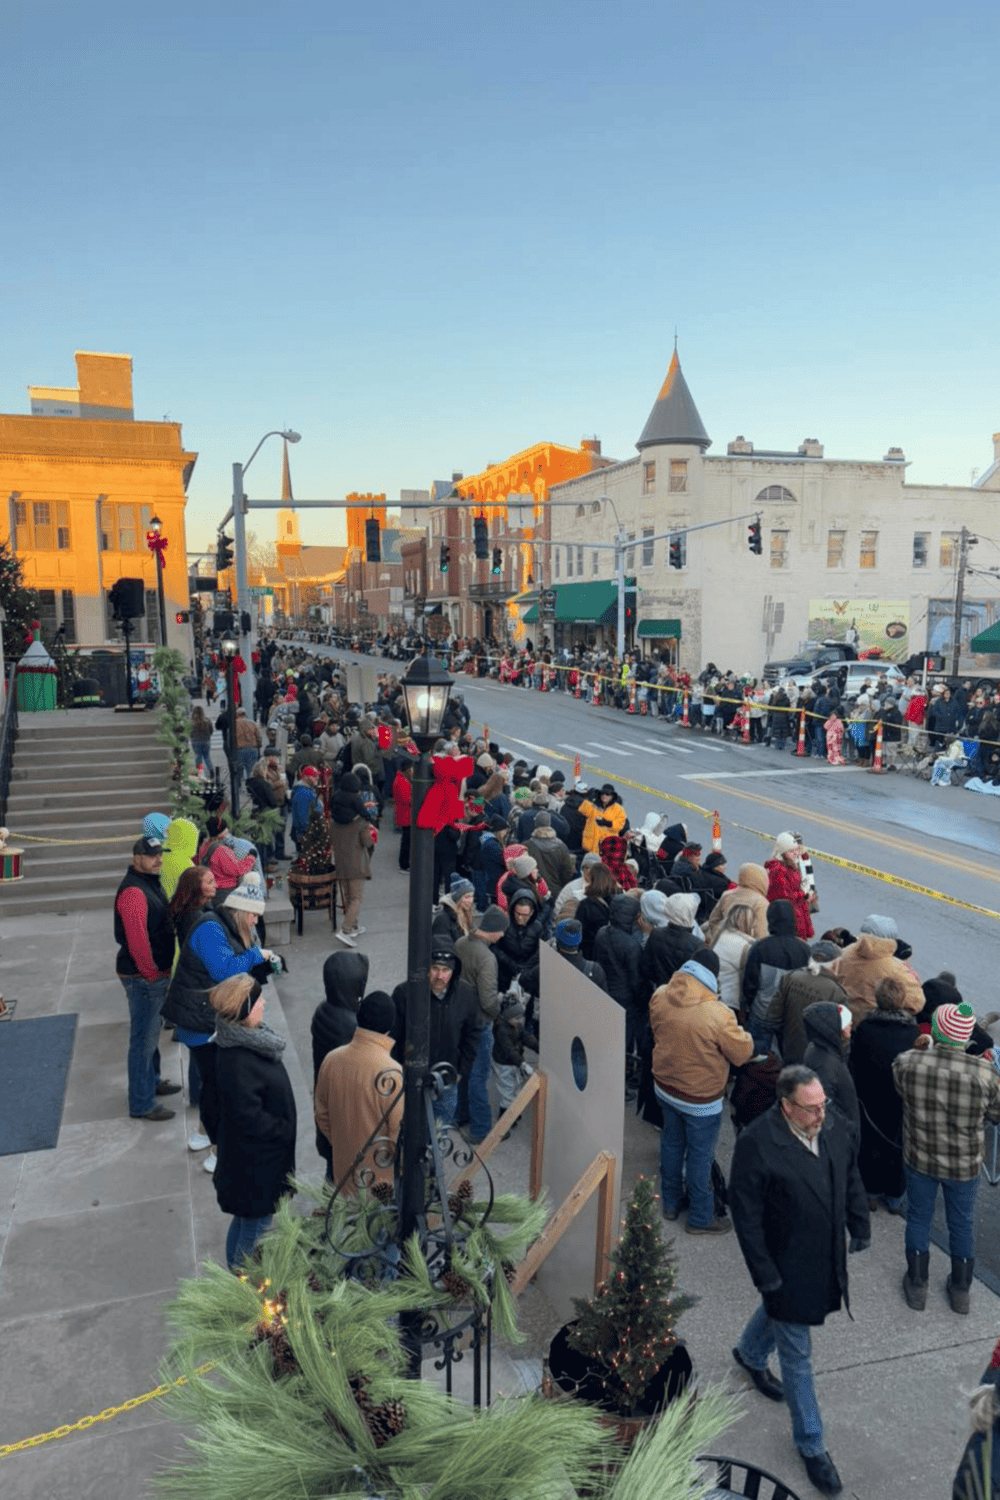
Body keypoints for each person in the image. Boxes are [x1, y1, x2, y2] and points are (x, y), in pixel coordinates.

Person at [730, 1064, 870, 1497]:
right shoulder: (757, 1144)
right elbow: (747, 1216)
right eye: (810, 1109)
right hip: (784, 1261)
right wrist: (765, 1273)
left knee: (780, 1312)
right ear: (786, 1105)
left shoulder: (831, 1127)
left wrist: (859, 1222)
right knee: (797, 1353)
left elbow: (848, 1175)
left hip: (821, 1255)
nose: (820, 1116)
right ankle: (812, 1445)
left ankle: (750, 1353)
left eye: (822, 1105)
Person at [892, 1002, 1000, 1315]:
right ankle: (960, 1289)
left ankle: (917, 1283)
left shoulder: (908, 1062)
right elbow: (995, 1113)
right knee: (962, 1224)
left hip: (920, 1160)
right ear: (967, 1038)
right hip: (964, 1166)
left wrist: (923, 1048)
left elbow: (901, 1086)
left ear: (936, 1032)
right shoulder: (984, 1073)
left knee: (918, 1218)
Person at [651, 948, 753, 1233]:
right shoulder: (718, 1013)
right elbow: (742, 1054)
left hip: (664, 1085)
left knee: (671, 1144)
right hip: (701, 1097)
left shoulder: (660, 995)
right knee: (699, 1155)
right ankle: (701, 1216)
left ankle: (670, 1203)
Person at [209, 973, 297, 1271]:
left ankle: (234, 1275)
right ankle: (240, 1286)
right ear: (244, 1010)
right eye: (258, 1000)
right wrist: (282, 1130)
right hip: (256, 1168)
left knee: (245, 1221)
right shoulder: (237, 1059)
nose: (264, 1003)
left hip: (249, 1165)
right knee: (256, 1229)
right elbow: (249, 1117)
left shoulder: (242, 1040)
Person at [114, 835, 180, 1122]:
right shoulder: (133, 893)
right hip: (142, 978)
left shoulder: (148, 882)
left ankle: (152, 1082)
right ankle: (141, 1103)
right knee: (143, 1039)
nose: (158, 859)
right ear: (135, 857)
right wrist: (152, 974)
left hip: (149, 976)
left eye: (160, 855)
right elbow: (138, 940)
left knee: (149, 1035)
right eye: (152, 855)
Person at [314, 992, 402, 1192]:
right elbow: (397, 1130)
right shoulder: (392, 1072)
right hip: (378, 1175)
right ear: (390, 1026)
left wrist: (340, 1142)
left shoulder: (332, 1059)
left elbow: (321, 1113)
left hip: (343, 1165)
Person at [390, 938, 482, 1127]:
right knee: (409, 1130)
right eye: (435, 969)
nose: (440, 976)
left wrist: (461, 1071)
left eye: (446, 970)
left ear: (454, 971)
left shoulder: (467, 994)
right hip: (412, 1080)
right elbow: (395, 1037)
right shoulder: (404, 994)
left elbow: (472, 1035)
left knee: (440, 1134)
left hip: (447, 1081)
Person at [848, 975, 917, 1214]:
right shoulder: (912, 1032)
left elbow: (854, 1062)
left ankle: (870, 1192)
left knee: (868, 1143)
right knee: (897, 1144)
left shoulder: (865, 1028)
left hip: (869, 1096)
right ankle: (895, 1196)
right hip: (898, 1097)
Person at [310, 950, 369, 1172]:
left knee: (332, 1168)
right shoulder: (349, 1027)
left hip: (326, 1107)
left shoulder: (324, 1010)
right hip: (344, 1118)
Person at [454, 906, 509, 1143]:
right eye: (502, 931)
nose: (504, 936)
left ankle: (460, 1114)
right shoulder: (487, 958)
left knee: (464, 1070)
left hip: (460, 1018)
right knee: (479, 1075)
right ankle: (480, 1128)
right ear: (495, 932)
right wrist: (500, 1010)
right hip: (480, 1023)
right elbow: (488, 1000)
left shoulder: (461, 943)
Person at [764, 939, 847, 1065]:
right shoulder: (837, 994)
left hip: (786, 1053)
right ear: (835, 964)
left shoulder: (790, 977)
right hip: (816, 1061)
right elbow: (842, 1038)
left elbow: (771, 1018)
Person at [330, 772, 377, 947]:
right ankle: (346, 930)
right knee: (356, 898)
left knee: (348, 897)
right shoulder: (360, 822)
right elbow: (368, 842)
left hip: (341, 863)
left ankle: (355, 926)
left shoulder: (334, 822)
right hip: (357, 864)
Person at [764, 834, 814, 940]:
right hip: (788, 917)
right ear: (783, 852)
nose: (796, 853)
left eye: (796, 849)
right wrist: (803, 894)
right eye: (791, 851)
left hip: (797, 912)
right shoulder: (778, 870)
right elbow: (784, 897)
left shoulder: (789, 864)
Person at [190, 705, 214, 777]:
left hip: (196, 741)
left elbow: (189, 733)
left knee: (198, 757)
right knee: (207, 757)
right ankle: (211, 771)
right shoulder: (207, 721)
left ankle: (199, 772)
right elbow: (211, 731)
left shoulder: (192, 722)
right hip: (206, 741)